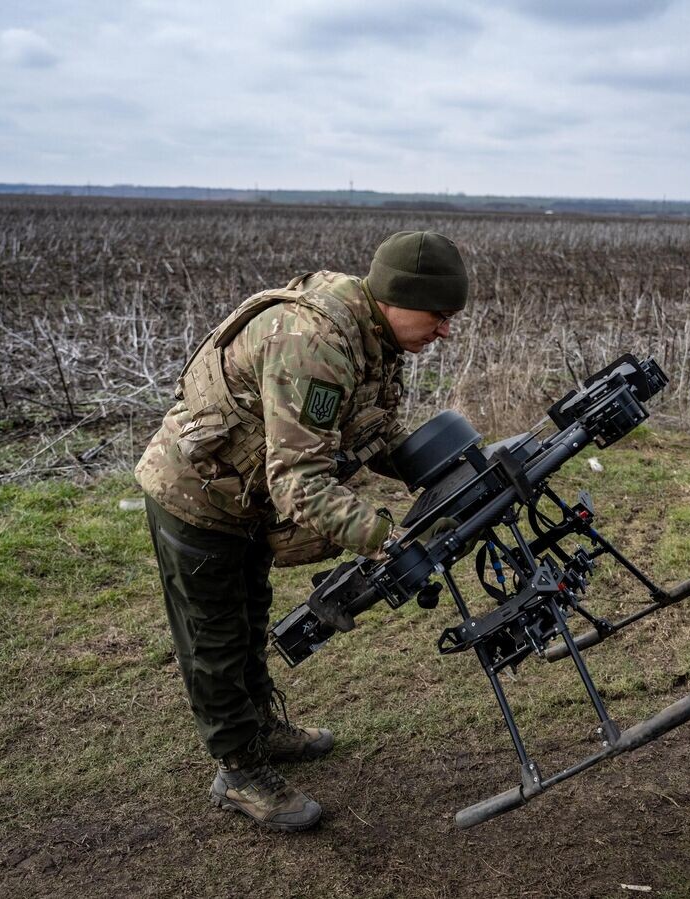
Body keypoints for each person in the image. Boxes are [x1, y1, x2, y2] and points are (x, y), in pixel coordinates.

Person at [136, 230, 469, 831]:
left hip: (246, 494)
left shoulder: (372, 335)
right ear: (397, 298)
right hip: (197, 496)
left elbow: (370, 429)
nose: (445, 331)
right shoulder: (314, 343)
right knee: (215, 638)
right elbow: (298, 482)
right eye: (438, 316)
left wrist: (446, 468)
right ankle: (239, 772)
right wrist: (385, 539)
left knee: (250, 616)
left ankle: (262, 729)